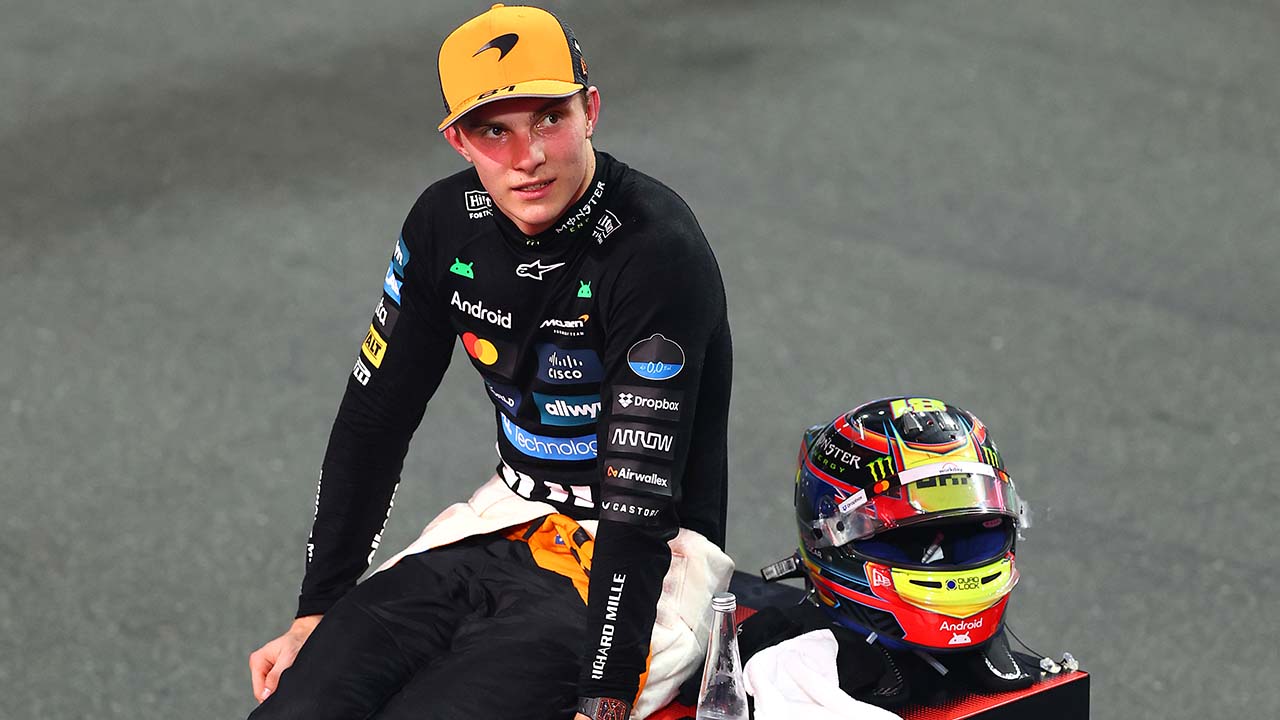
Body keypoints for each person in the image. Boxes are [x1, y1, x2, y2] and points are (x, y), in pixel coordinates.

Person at [246, 4, 734, 719]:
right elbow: (375, 417)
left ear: (591, 111)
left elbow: (639, 498)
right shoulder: (443, 224)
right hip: (500, 521)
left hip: (648, 562)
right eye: (493, 130)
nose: (527, 155)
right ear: (457, 141)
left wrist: (603, 700)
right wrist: (316, 609)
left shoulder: (656, 248)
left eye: (549, 119)